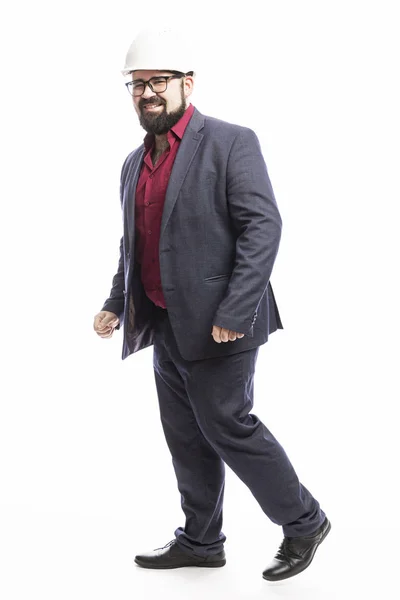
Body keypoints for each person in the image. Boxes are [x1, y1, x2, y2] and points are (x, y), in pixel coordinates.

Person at [93, 27, 331, 582]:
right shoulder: (133, 163)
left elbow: (262, 226)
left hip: (222, 325)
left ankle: (305, 521)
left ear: (186, 84)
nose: (147, 92)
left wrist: (234, 310)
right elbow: (135, 243)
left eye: (158, 82)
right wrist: (116, 301)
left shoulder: (229, 141)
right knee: (185, 434)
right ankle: (201, 541)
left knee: (230, 426)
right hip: (163, 325)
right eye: (137, 84)